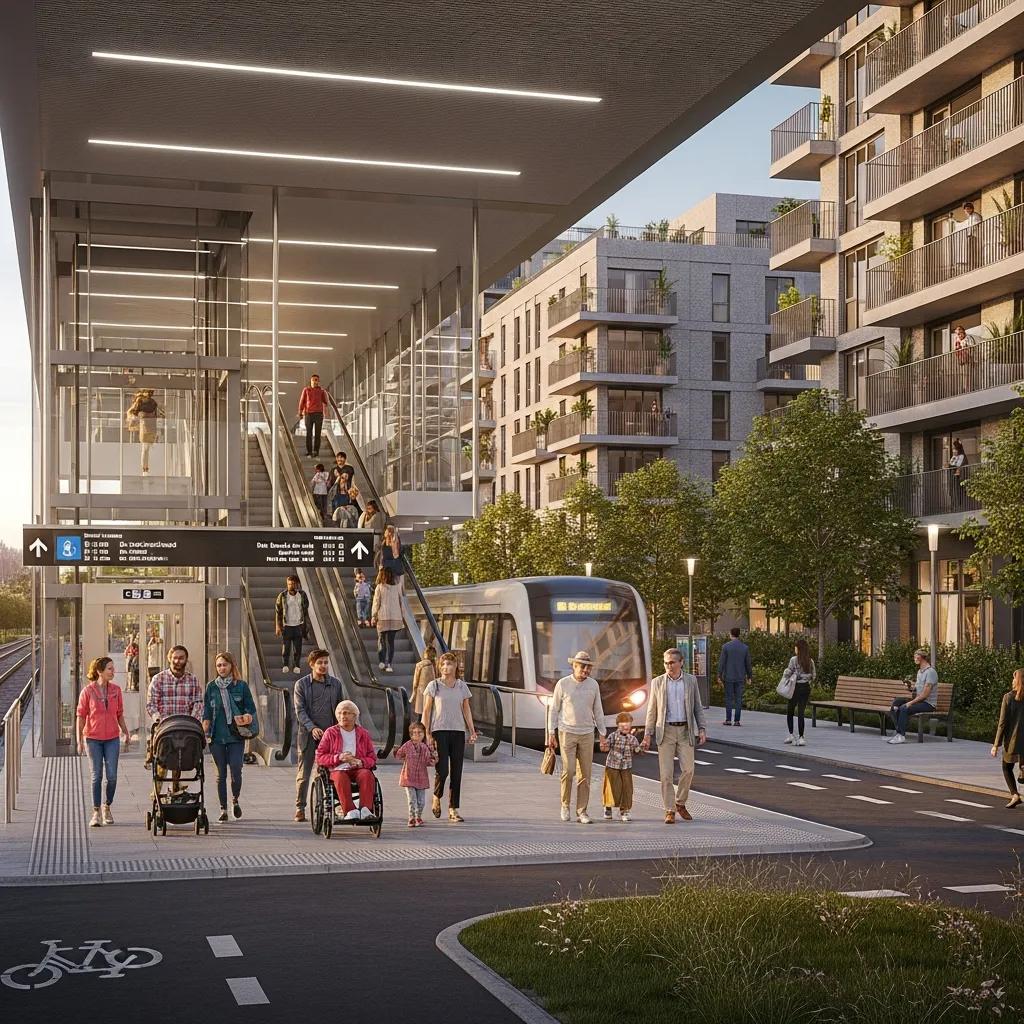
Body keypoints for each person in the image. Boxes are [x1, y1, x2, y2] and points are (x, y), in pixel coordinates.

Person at [643, 647, 707, 824]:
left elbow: (697, 707)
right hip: (666, 730)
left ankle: (680, 802)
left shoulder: (690, 681)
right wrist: (647, 734)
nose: (668, 666)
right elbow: (652, 710)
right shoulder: (657, 682)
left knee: (688, 769)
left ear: (681, 663)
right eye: (665, 663)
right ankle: (669, 809)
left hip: (685, 730)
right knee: (666, 774)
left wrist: (701, 728)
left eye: (671, 662)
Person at [545, 651, 608, 825]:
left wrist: (602, 734)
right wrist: (551, 732)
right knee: (569, 770)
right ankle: (565, 805)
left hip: (587, 733)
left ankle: (582, 811)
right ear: (574, 666)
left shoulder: (593, 685)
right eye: (582, 666)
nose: (586, 670)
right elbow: (554, 709)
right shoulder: (563, 684)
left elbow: (598, 711)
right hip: (567, 732)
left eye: (588, 667)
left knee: (585, 774)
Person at [201, 652, 258, 823]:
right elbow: (207, 712)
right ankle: (223, 808)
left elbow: (250, 707)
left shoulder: (241, 686)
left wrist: (247, 715)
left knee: (236, 770)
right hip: (216, 737)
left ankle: (235, 799)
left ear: (232, 666)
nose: (222, 668)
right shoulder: (211, 687)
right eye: (219, 665)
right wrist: (203, 731)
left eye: (225, 664)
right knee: (221, 774)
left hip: (235, 736)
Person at [423, 650, 478, 823]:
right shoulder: (434, 686)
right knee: (443, 770)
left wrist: (472, 730)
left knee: (457, 772)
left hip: (458, 731)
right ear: (440, 667)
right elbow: (426, 711)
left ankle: (453, 808)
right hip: (439, 731)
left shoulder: (462, 686)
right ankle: (436, 797)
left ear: (455, 667)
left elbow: (466, 709)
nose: (446, 667)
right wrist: (427, 734)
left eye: (449, 664)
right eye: (443, 664)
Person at [76, 656, 130, 828]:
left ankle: (107, 806)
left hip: (112, 738)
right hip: (92, 738)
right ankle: (96, 811)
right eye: (109, 669)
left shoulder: (116, 690)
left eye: (113, 668)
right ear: (99, 671)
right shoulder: (87, 691)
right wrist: (79, 741)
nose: (113, 671)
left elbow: (119, 713)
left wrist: (126, 732)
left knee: (112, 776)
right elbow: (81, 716)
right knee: (96, 775)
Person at [293, 649, 345, 822]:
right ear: (312, 665)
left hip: (330, 735)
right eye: (320, 663)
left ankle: (336, 805)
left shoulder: (336, 684)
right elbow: (300, 711)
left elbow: (340, 708)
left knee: (334, 770)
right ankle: (300, 807)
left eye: (325, 662)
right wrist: (311, 727)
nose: (323, 666)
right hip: (308, 735)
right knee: (304, 771)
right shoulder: (301, 685)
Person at [145, 645, 202, 793]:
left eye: (181, 658)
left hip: (185, 728)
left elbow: (198, 702)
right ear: (169, 659)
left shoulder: (192, 680)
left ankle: (176, 791)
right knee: (162, 766)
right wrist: (158, 719)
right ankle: (156, 797)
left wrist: (194, 719)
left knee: (182, 761)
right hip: (165, 728)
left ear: (186, 660)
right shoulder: (158, 679)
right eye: (175, 658)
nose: (178, 661)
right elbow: (151, 704)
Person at [314, 700, 378, 821]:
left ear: (355, 716)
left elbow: (372, 758)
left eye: (347, 713)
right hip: (337, 769)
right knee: (340, 777)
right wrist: (339, 758)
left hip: (357, 768)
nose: (343, 716)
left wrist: (361, 762)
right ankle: (350, 811)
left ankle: (366, 810)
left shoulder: (363, 734)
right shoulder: (330, 733)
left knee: (367, 774)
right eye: (340, 713)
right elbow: (320, 756)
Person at [887, 648, 938, 744]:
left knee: (904, 708)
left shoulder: (931, 672)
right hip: (919, 701)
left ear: (922, 657)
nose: (914, 658)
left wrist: (910, 703)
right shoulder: (920, 672)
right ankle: (899, 732)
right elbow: (918, 690)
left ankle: (901, 735)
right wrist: (911, 688)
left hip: (928, 704)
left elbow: (925, 695)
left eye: (916, 656)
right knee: (895, 705)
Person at [991, 670, 1024, 809]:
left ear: (1017, 680)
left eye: (1013, 678)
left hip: (1013, 740)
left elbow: (1002, 723)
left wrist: (996, 744)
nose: (1011, 681)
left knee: (1006, 767)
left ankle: (1015, 795)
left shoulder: (1008, 697)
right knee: (1021, 764)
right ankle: (1023, 769)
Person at [395, 720, 437, 827]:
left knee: (421, 801)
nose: (417, 735)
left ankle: (419, 816)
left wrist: (434, 759)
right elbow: (399, 755)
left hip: (421, 777)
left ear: (424, 734)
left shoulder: (425, 747)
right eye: (415, 733)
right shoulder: (407, 745)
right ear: (411, 734)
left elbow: (428, 761)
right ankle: (411, 817)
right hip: (408, 776)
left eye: (420, 733)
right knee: (412, 799)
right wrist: (400, 754)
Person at [602, 712, 642, 822]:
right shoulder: (613, 736)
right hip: (612, 766)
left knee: (627, 789)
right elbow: (606, 746)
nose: (625, 728)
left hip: (626, 767)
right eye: (623, 726)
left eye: (628, 725)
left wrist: (640, 749)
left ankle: (625, 810)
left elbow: (637, 749)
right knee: (611, 787)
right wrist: (604, 745)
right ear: (618, 726)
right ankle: (608, 807)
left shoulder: (632, 739)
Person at [782, 638, 816, 746]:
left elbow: (788, 674)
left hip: (794, 688)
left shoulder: (793, 659)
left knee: (790, 711)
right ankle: (801, 737)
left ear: (798, 648)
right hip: (805, 688)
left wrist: (789, 673)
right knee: (801, 712)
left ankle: (791, 735)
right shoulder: (810, 661)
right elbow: (813, 676)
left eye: (795, 647)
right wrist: (804, 677)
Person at [274, 575, 309, 676]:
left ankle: (296, 665)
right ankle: (285, 664)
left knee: (298, 647)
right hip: (287, 625)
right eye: (289, 584)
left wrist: (305, 624)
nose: (290, 586)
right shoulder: (283, 595)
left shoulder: (302, 595)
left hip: (299, 625)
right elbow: (278, 611)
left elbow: (305, 608)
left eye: (292, 584)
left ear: (297, 584)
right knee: (286, 646)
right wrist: (278, 626)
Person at [717, 626, 752, 726]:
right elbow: (748, 664)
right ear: (739, 634)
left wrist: (719, 675)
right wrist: (749, 676)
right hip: (740, 676)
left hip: (728, 676)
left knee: (729, 698)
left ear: (730, 634)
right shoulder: (745, 648)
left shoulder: (726, 647)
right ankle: (737, 721)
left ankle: (728, 720)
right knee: (738, 698)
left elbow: (722, 663)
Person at [371, 566, 402, 673]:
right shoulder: (397, 587)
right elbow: (401, 603)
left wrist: (373, 616)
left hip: (383, 617)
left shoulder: (379, 587)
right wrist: (402, 617)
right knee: (391, 642)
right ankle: (389, 664)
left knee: (381, 640)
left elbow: (376, 603)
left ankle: (382, 661)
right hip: (395, 618)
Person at [127, 389, 163, 475]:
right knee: (145, 449)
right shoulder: (152, 402)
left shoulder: (142, 401)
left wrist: (135, 419)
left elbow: (133, 414)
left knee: (145, 449)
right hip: (150, 427)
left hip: (147, 428)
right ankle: (145, 469)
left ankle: (145, 470)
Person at [298, 373, 328, 457]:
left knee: (318, 433)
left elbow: (325, 402)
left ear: (318, 381)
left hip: (319, 414)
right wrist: (300, 412)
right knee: (309, 433)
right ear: (310, 381)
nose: (315, 382)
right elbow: (302, 401)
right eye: (313, 380)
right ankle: (309, 451)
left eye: (316, 380)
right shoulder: (306, 390)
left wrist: (325, 394)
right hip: (308, 414)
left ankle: (316, 451)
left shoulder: (321, 391)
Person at [411, 643, 437, 722]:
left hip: (421, 691)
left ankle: (420, 728)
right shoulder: (434, 665)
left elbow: (415, 681)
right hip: (432, 691)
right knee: (429, 712)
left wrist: (414, 692)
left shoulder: (419, 665)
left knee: (420, 713)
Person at [378, 524, 405, 592]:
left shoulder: (386, 543)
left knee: (387, 588)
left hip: (389, 567)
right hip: (394, 566)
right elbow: (397, 555)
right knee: (397, 588)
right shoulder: (395, 541)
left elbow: (383, 557)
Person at [948, 438, 967, 511]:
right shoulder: (953, 457)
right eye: (953, 449)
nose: (954, 451)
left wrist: (950, 466)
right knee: (952, 491)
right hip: (951, 476)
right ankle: (953, 506)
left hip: (957, 477)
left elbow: (958, 465)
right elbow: (951, 464)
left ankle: (959, 506)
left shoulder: (961, 456)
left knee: (957, 490)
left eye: (955, 449)